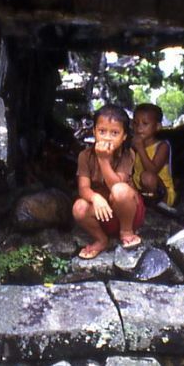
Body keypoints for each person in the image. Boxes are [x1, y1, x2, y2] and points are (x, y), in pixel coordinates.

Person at [72, 104, 144, 259]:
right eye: (102, 131)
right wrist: (95, 198)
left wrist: (103, 160)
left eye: (114, 133)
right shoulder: (85, 156)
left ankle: (127, 232)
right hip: (103, 213)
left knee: (120, 190)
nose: (107, 137)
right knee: (79, 207)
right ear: (94, 132)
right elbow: (83, 188)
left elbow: (116, 186)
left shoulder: (127, 154)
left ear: (124, 136)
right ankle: (101, 239)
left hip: (128, 213)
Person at [131, 103, 176, 207]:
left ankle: (156, 207)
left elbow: (152, 171)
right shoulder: (133, 146)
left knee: (147, 177)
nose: (139, 128)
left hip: (162, 194)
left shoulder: (162, 146)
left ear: (157, 126)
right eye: (135, 123)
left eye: (145, 124)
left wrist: (141, 149)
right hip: (141, 191)